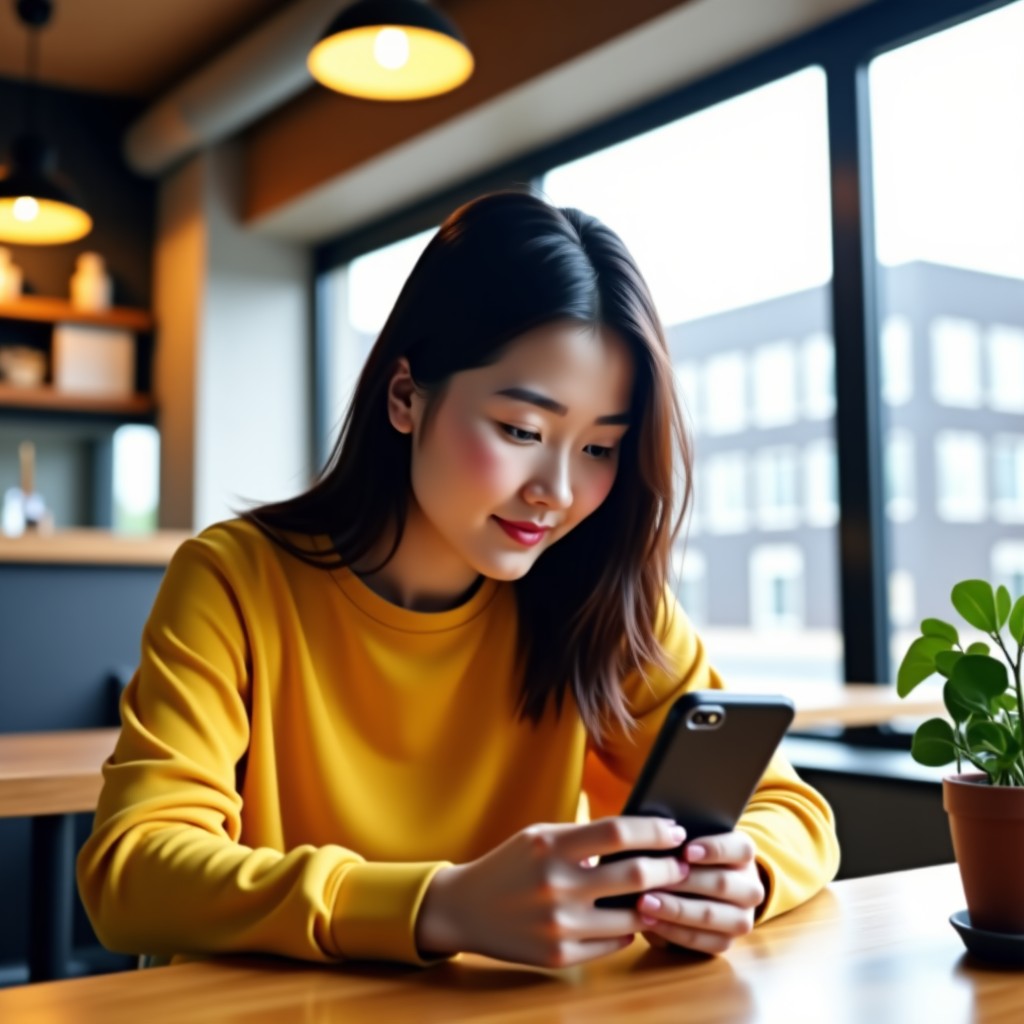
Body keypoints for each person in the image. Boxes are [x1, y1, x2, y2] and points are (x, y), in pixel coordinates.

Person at [77, 190, 839, 970]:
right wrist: (437, 907)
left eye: (599, 448)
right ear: (405, 397)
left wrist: (742, 876)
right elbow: (132, 871)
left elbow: (793, 813)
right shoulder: (235, 581)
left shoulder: (601, 601)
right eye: (521, 430)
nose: (557, 492)